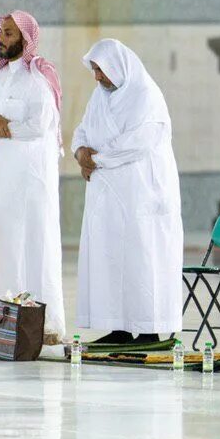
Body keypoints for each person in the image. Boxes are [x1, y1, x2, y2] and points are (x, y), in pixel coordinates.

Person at [72, 39, 183, 346]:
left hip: (143, 196)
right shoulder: (99, 97)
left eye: (100, 70)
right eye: (94, 70)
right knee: (110, 259)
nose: (97, 77)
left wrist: (95, 159)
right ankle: (118, 326)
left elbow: (139, 142)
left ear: (118, 67)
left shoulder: (146, 96)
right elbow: (82, 130)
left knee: (142, 259)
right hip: (108, 195)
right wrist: (80, 151)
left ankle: (149, 329)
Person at [0, 11, 66, 341]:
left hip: (31, 180)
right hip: (1, 179)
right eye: (1, 32)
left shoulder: (37, 79)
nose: (2, 38)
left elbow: (39, 127)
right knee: (0, 245)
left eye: (10, 34)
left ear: (26, 40)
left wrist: (3, 128)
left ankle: (43, 325)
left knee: (32, 247)